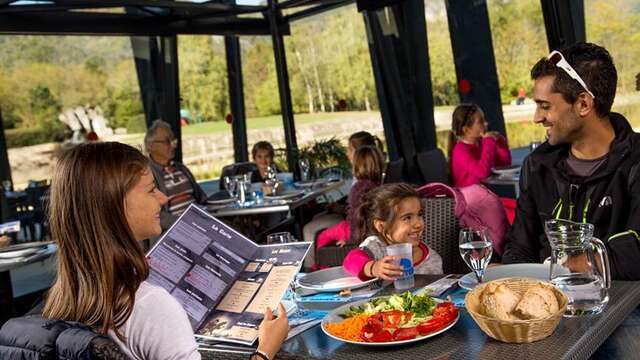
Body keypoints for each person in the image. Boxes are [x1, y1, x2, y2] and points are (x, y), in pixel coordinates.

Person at [41, 142, 289, 360]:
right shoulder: (150, 306)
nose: (162, 198)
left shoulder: (60, 299)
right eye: (151, 189)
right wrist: (266, 349)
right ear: (115, 205)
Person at [502, 42, 640, 280]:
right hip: (547, 305)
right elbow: (519, 248)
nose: (537, 118)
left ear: (584, 104)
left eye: (545, 106)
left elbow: (636, 251)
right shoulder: (536, 165)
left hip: (623, 308)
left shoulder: (636, 160)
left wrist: (573, 265)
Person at [343, 183, 443, 280]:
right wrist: (373, 267)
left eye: (419, 214)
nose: (418, 224)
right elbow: (350, 260)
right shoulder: (376, 246)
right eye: (407, 217)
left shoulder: (432, 260)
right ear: (381, 226)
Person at [302, 131, 385, 246]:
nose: (347, 153)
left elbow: (356, 214)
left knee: (312, 230)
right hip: (360, 227)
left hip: (353, 228)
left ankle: (314, 264)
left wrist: (351, 241)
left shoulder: (360, 185)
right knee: (317, 217)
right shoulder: (374, 180)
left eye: (349, 149)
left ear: (358, 153)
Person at [315, 145, 385, 253]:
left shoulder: (359, 188)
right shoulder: (378, 185)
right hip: (367, 231)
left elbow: (355, 217)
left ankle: (319, 266)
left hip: (354, 231)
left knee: (321, 237)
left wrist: (351, 241)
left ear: (356, 166)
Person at [145, 120, 207, 232]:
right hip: (174, 231)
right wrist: (185, 223)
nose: (173, 146)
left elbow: (202, 199)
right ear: (150, 146)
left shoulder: (180, 168)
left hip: (199, 224)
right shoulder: (145, 175)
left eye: (173, 141)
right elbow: (152, 215)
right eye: (167, 141)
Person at [449, 104, 512, 188]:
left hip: (483, 195)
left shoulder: (481, 144)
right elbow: (482, 172)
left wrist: (500, 142)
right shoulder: (460, 151)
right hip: (468, 198)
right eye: (481, 121)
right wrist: (488, 141)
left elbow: (504, 164)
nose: (486, 123)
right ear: (467, 130)